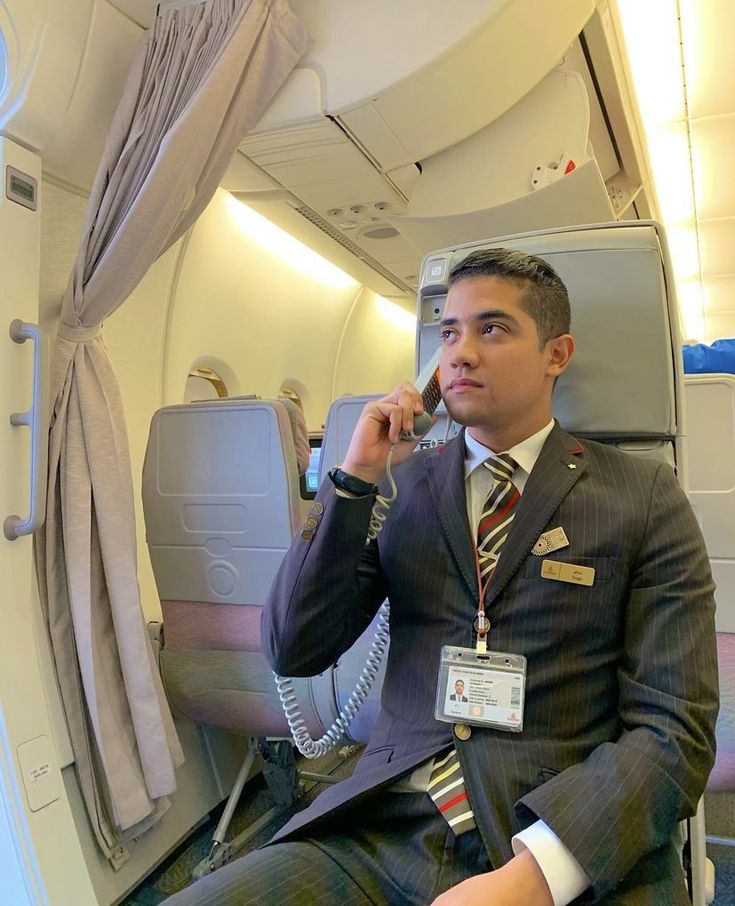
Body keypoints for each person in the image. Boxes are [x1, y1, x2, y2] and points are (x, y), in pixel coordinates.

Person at [164, 248, 719, 905]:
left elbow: (672, 731)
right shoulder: (402, 487)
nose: (458, 353)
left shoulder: (641, 494)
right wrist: (352, 481)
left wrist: (534, 877)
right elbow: (294, 648)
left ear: (556, 353)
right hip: (384, 830)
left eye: (492, 328)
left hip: (562, 829)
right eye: (448, 332)